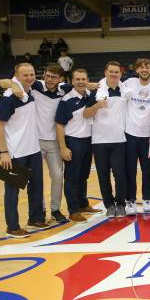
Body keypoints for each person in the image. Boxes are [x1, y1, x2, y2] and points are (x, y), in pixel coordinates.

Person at [0, 63, 47, 237]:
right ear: (16, 76)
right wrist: (4, 153)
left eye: (32, 74)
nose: (30, 77)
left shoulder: (30, 90)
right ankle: (12, 226)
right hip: (15, 152)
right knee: (12, 191)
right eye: (25, 75)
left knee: (37, 187)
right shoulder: (9, 97)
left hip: (33, 149)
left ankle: (35, 218)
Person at [55, 69, 102, 223]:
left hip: (88, 141)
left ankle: (83, 204)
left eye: (83, 79)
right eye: (77, 79)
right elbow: (59, 125)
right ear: (72, 81)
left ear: (87, 80)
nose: (81, 82)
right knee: (72, 177)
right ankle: (73, 210)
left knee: (83, 175)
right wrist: (63, 147)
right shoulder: (66, 100)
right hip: (73, 141)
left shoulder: (90, 95)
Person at [83, 61, 128, 218]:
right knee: (103, 175)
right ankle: (109, 205)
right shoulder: (96, 92)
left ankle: (121, 204)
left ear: (120, 74)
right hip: (99, 141)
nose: (114, 74)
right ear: (105, 72)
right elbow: (86, 114)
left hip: (119, 140)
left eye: (117, 72)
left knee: (120, 174)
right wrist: (97, 106)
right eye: (111, 71)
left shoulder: (125, 90)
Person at [123, 58, 150, 214]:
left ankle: (147, 200)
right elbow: (106, 82)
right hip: (130, 134)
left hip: (148, 135)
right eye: (141, 67)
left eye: (147, 67)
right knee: (130, 170)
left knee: (148, 169)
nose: (144, 69)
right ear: (137, 70)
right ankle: (130, 201)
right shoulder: (129, 83)